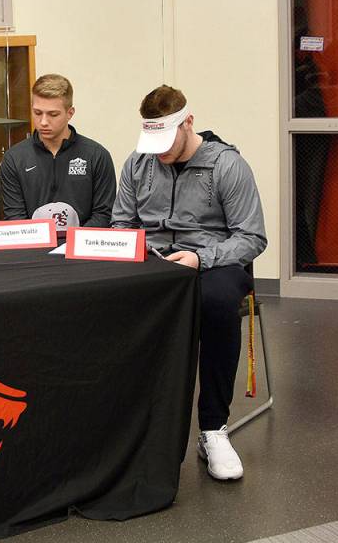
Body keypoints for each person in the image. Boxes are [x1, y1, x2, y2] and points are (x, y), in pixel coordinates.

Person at [112, 85, 267, 480]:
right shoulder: (138, 163)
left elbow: (251, 237)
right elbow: (121, 223)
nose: (159, 151)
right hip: (155, 259)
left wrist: (201, 258)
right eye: (153, 142)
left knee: (217, 302)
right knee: (110, 294)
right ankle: (127, 428)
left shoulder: (227, 165)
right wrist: (139, 249)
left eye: (166, 140)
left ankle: (213, 428)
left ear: (188, 123)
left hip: (212, 260)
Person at [0, 74, 116, 230]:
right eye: (37, 113)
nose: (43, 122)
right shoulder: (14, 158)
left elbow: (103, 214)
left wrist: (74, 241)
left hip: (82, 243)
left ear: (70, 113)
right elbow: (15, 217)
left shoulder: (97, 156)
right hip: (33, 243)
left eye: (53, 114)